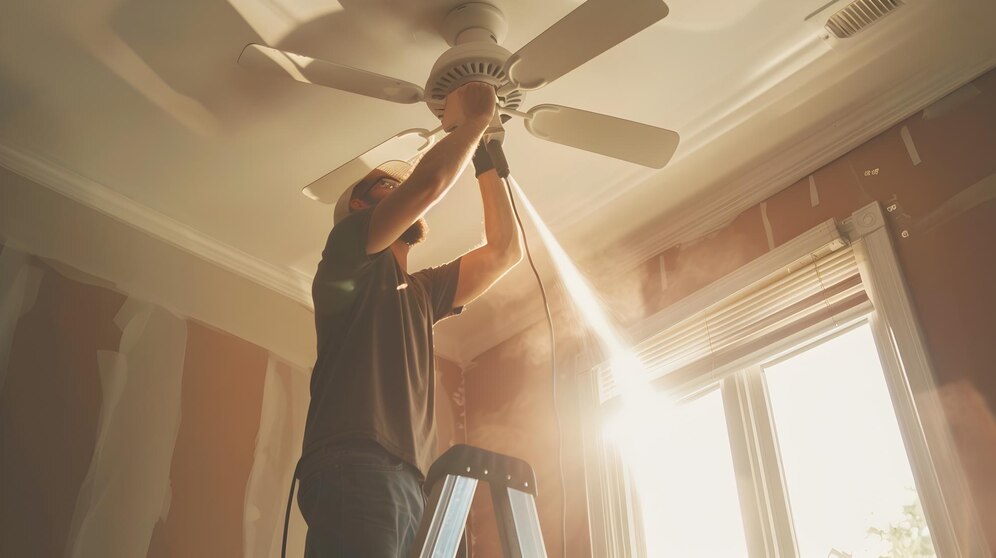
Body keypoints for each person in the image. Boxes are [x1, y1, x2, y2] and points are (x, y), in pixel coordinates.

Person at [296, 81, 523, 557]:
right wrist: (472, 121)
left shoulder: (421, 292)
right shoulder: (346, 254)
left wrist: (483, 152)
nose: (400, 188)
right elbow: (429, 185)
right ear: (359, 208)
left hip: (413, 484)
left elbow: (504, 252)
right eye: (386, 185)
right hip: (355, 466)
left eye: (399, 185)